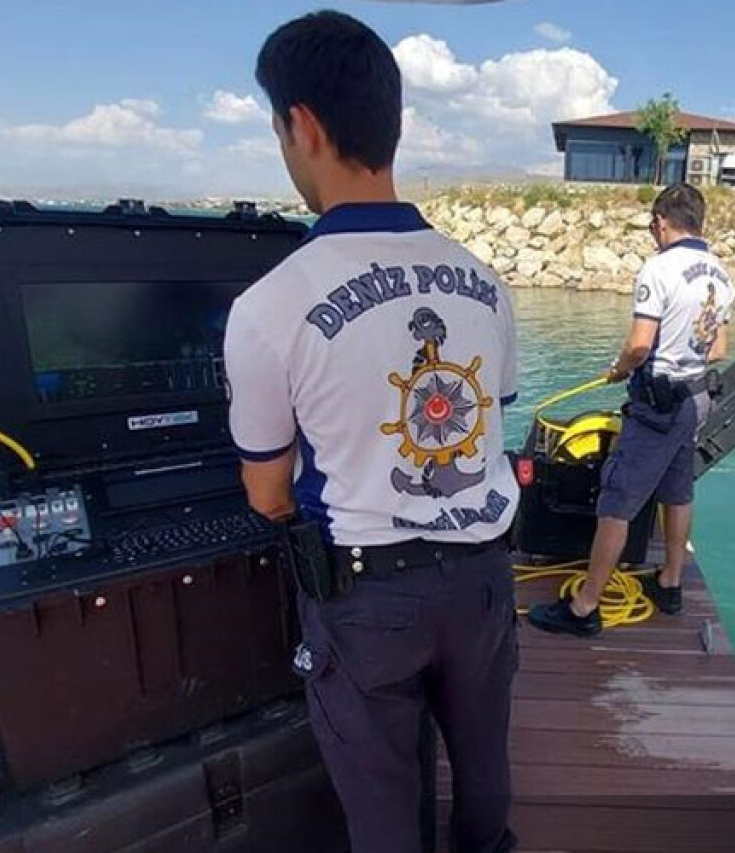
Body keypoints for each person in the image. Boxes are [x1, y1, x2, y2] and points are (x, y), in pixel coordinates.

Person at [224, 11, 519, 853]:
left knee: (384, 809)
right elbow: (485, 419)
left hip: (365, 599)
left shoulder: (269, 305)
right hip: (485, 581)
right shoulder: (484, 282)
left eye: (279, 129)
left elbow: (267, 493)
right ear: (388, 123)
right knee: (484, 763)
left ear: (303, 125)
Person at [527, 183, 735, 638]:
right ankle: (671, 583)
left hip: (657, 406)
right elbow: (719, 347)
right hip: (696, 398)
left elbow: (640, 345)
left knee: (616, 501)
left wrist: (621, 368)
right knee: (678, 491)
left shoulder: (658, 269)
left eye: (652, 226)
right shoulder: (721, 275)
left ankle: (584, 608)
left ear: (661, 221)